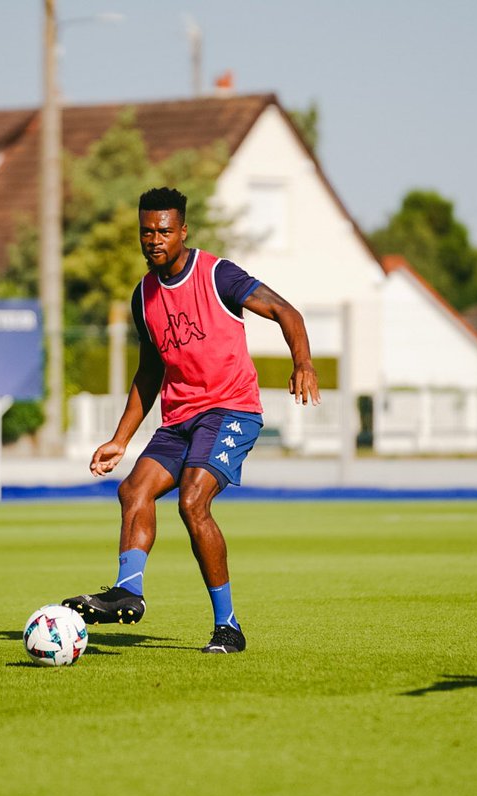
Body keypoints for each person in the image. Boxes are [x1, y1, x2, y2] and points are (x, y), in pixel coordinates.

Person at [62, 186, 320, 653]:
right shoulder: (143, 297)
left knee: (192, 500)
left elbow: (287, 312)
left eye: (163, 230)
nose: (154, 239)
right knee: (132, 490)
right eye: (146, 231)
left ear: (183, 230)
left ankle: (229, 628)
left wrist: (302, 363)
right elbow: (149, 373)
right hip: (179, 418)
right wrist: (120, 440)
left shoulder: (219, 274)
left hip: (231, 410)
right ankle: (129, 592)